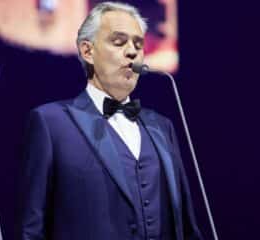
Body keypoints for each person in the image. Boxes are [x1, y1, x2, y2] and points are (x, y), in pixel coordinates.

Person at [17, 2, 204, 240]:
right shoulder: (50, 123)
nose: (132, 51)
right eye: (119, 42)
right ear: (87, 51)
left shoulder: (161, 127)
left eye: (138, 44)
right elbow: (31, 230)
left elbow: (187, 227)